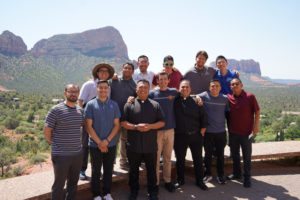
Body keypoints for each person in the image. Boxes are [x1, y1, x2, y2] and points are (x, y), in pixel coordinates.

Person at [121, 79, 165, 200]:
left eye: (146, 87)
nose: (143, 89)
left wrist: (150, 126)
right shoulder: (129, 104)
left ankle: (153, 192)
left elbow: (162, 122)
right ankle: (134, 191)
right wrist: (135, 127)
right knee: (133, 171)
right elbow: (123, 123)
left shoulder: (155, 105)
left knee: (151, 170)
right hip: (133, 146)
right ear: (136, 89)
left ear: (149, 89)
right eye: (140, 87)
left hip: (150, 146)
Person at [44, 84, 84, 200]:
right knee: (58, 185)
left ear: (78, 94)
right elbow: (47, 130)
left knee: (73, 184)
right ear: (65, 93)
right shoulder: (56, 110)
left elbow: (81, 127)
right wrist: (55, 144)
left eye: (75, 92)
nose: (73, 94)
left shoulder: (80, 111)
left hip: (77, 154)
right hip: (61, 155)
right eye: (70, 91)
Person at [84, 80, 121, 200]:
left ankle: (107, 193)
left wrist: (107, 141)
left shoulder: (114, 105)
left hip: (111, 144)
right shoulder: (90, 104)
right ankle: (96, 194)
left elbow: (117, 125)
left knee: (108, 169)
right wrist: (100, 142)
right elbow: (88, 126)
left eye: (105, 88)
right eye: (101, 88)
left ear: (108, 89)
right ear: (97, 89)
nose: (103, 90)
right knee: (95, 170)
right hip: (95, 145)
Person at [78, 63, 115, 180]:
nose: (104, 73)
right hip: (89, 120)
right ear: (97, 73)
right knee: (85, 145)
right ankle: (82, 169)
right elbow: (80, 101)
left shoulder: (109, 86)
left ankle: (101, 170)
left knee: (101, 143)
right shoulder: (88, 85)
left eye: (106, 71)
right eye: (101, 71)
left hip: (103, 121)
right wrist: (85, 116)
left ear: (109, 74)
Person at [173, 80, 208, 191]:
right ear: (179, 89)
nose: (185, 89)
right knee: (180, 160)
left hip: (195, 136)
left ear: (190, 89)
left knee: (198, 159)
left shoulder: (197, 102)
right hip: (179, 136)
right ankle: (180, 180)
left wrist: (201, 134)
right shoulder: (174, 101)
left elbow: (204, 119)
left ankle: (200, 181)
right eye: (182, 87)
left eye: (187, 87)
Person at [226, 78, 260, 188]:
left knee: (246, 156)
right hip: (233, 132)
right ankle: (237, 174)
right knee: (235, 155)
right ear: (230, 87)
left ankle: (247, 177)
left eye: (237, 84)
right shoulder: (228, 97)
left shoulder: (250, 96)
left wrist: (256, 125)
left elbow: (257, 111)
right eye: (232, 84)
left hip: (246, 133)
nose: (235, 86)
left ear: (241, 85)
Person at [148, 72, 178, 192]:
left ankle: (167, 181)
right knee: (155, 158)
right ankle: (155, 183)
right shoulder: (152, 93)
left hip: (170, 130)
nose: (163, 81)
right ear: (157, 81)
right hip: (156, 131)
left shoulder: (173, 92)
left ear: (168, 80)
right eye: (160, 79)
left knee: (167, 158)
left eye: (165, 79)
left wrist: (198, 97)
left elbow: (186, 93)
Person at [198, 79, 229, 184]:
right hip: (208, 132)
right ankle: (208, 174)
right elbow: (191, 95)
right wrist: (198, 96)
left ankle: (220, 175)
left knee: (220, 155)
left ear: (220, 88)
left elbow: (229, 113)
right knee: (208, 154)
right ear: (209, 88)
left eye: (217, 86)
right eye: (212, 86)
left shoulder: (225, 99)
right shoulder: (204, 97)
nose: (214, 88)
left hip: (221, 132)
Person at [109, 62, 136, 170]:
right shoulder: (114, 81)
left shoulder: (134, 85)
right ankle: (110, 162)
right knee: (112, 140)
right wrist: (112, 74)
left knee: (125, 140)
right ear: (122, 69)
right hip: (114, 117)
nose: (127, 70)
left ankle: (123, 162)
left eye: (130, 68)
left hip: (126, 118)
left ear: (133, 71)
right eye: (125, 68)